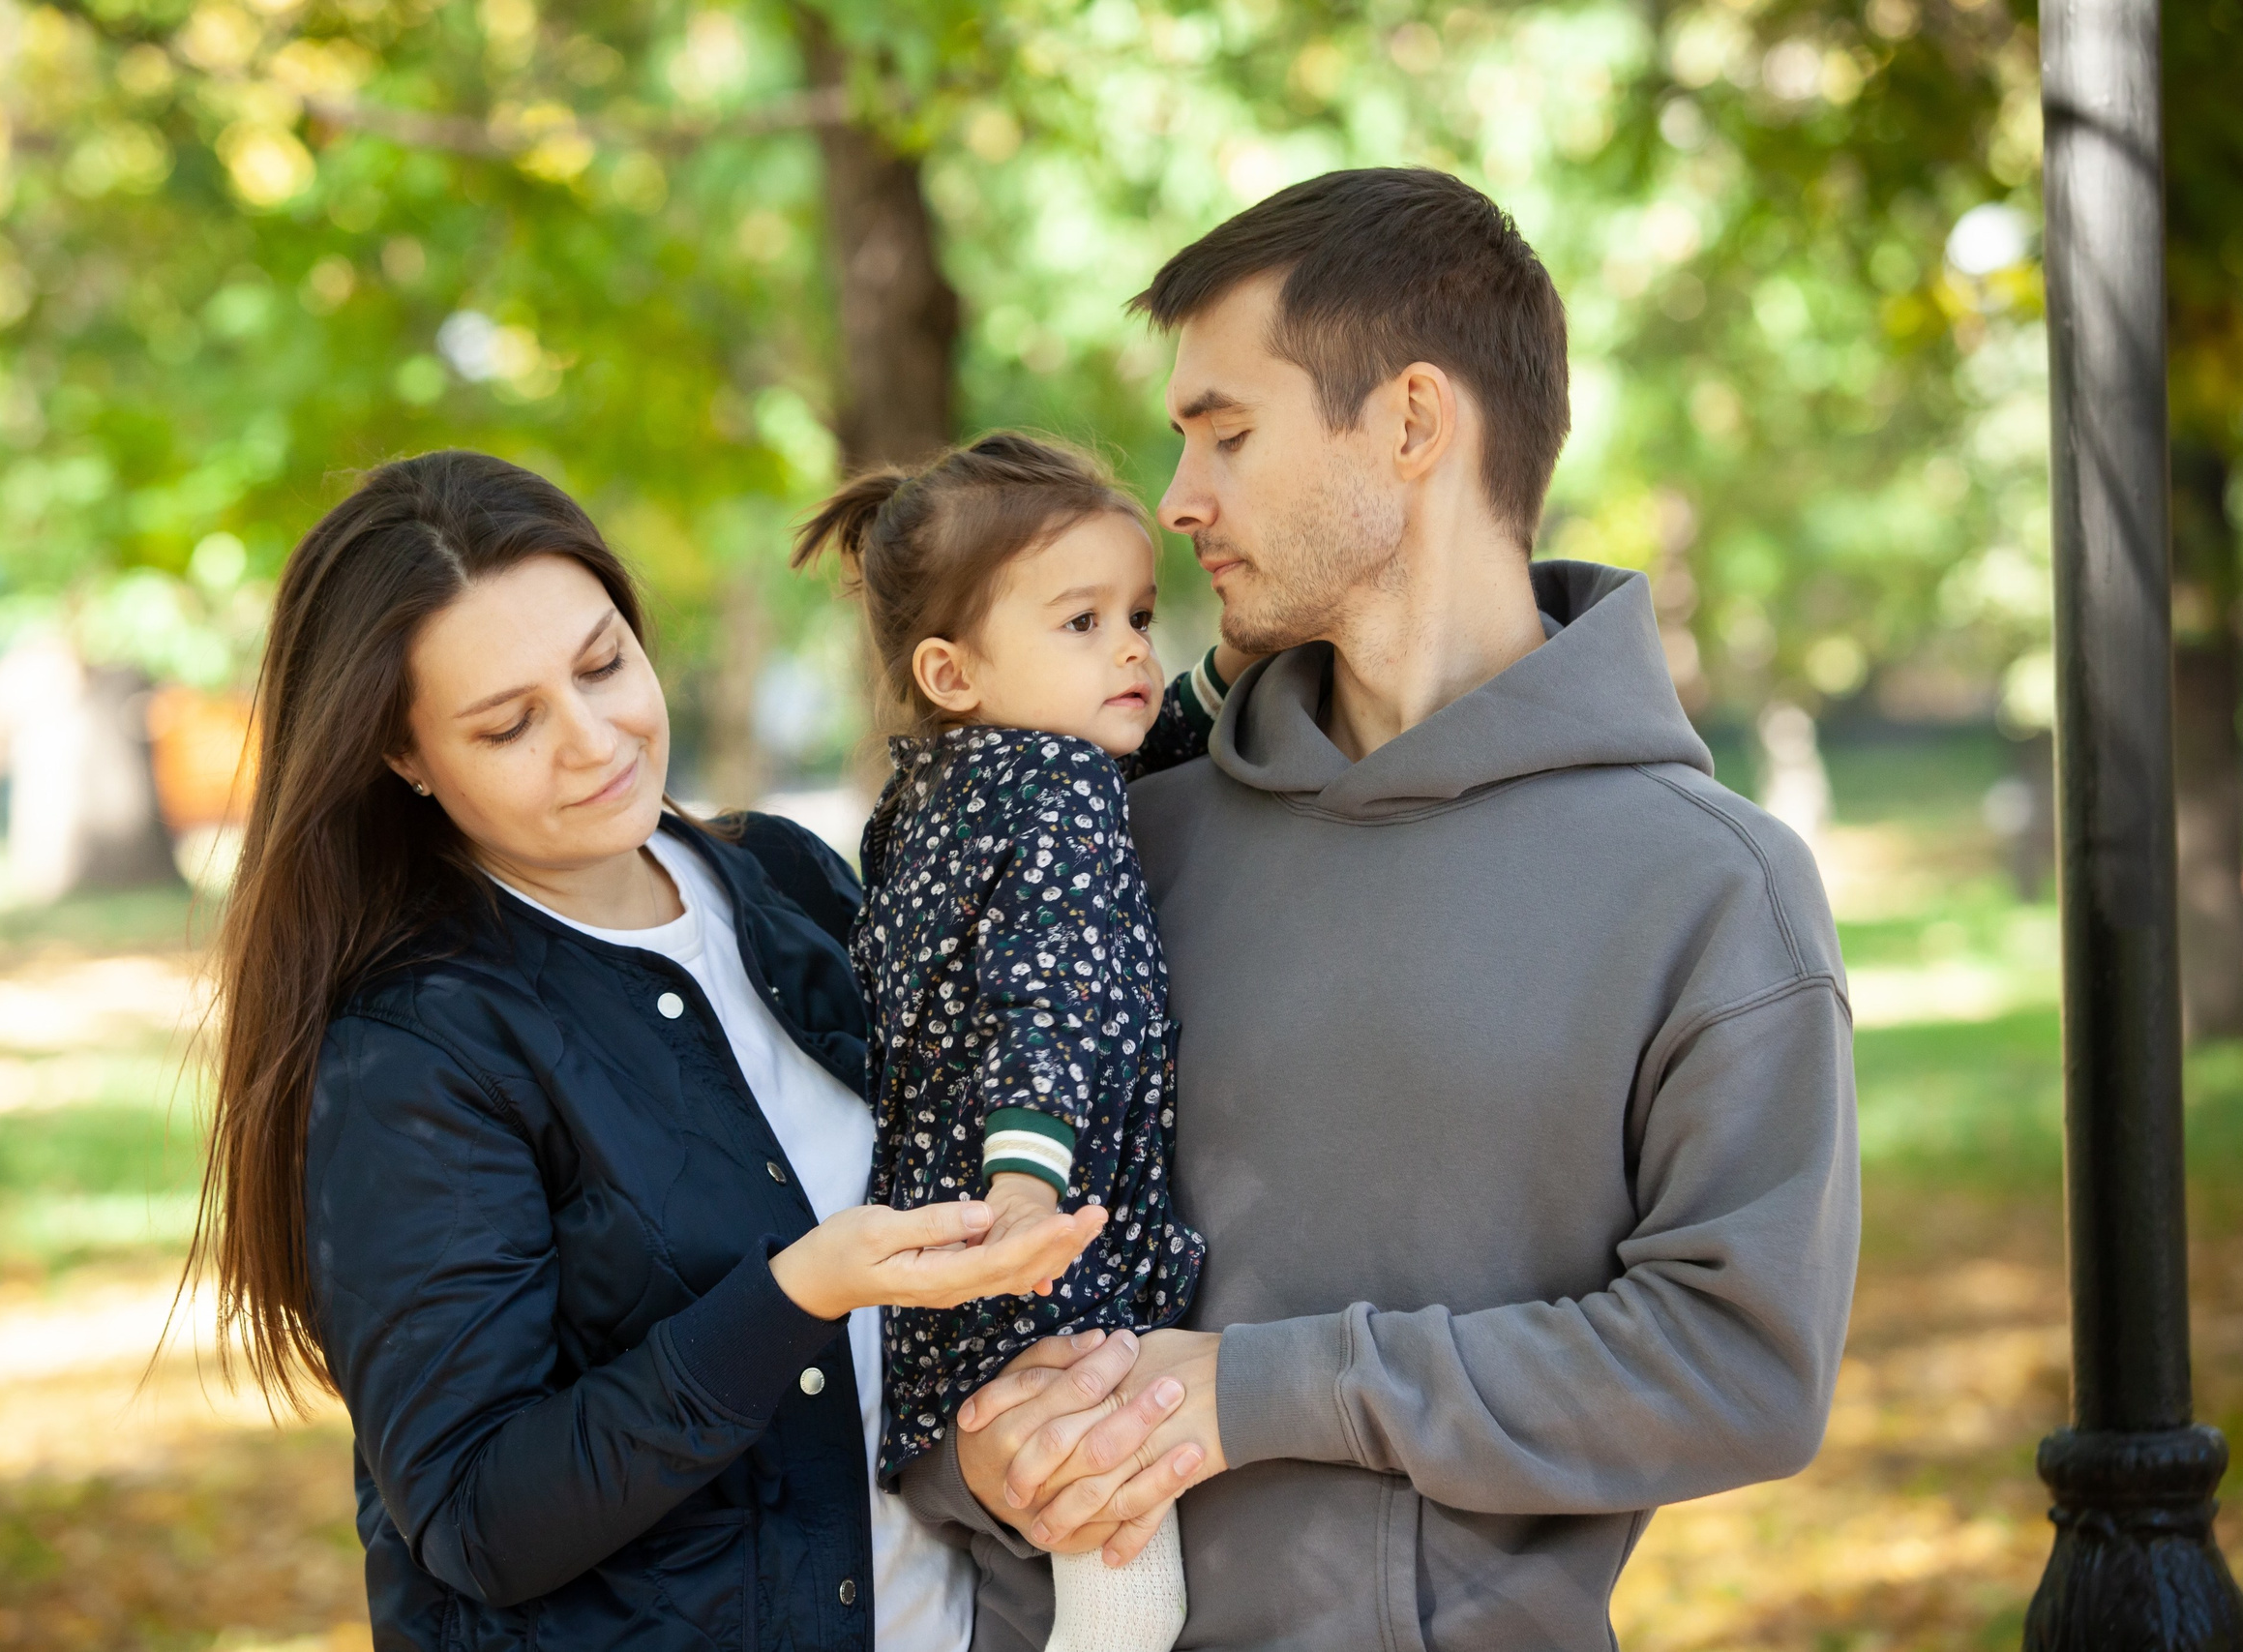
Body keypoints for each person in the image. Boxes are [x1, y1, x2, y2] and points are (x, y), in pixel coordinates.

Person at [899, 167, 1863, 1650]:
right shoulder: (1119, 849)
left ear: (1411, 423)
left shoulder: (1707, 887)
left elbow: (1740, 1363)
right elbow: (932, 1227)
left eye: (1227, 432)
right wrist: (976, 1452)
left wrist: (1259, 1393)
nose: (1178, 503)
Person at [187, 449, 1112, 1651]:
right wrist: (800, 1293)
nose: (593, 740)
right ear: (405, 760)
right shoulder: (416, 1051)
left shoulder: (786, 879)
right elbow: (478, 1519)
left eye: (602, 663)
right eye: (509, 724)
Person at [790, 432, 1250, 1652]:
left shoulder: (926, 796)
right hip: (1042, 1254)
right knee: (1124, 1575)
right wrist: (1027, 1177)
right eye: (1083, 623)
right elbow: (1045, 993)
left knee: (1017, 1578)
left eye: (1140, 615)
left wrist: (1210, 683)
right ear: (950, 668)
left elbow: (1128, 740)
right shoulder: (1060, 799)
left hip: (937, 1273)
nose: (1135, 650)